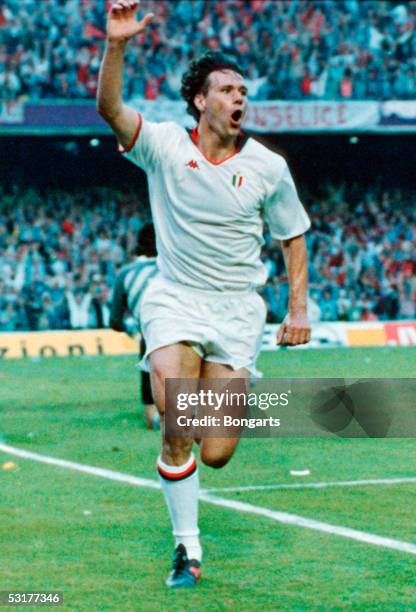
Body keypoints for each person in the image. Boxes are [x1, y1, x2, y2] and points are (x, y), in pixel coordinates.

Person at [97, 0, 311, 589]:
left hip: (238, 308)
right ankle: (187, 550)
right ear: (200, 100)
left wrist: (299, 308)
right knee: (175, 412)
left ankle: (237, 397)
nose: (239, 98)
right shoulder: (166, 145)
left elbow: (293, 235)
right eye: (227, 89)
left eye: (243, 89)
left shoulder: (268, 167)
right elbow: (110, 108)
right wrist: (116, 44)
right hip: (176, 298)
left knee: (214, 449)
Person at [109, 222, 159, 430]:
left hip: (148, 338)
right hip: (184, 335)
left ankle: (158, 419)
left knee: (152, 414)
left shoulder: (126, 274)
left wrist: (130, 328)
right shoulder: (178, 268)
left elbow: (114, 321)